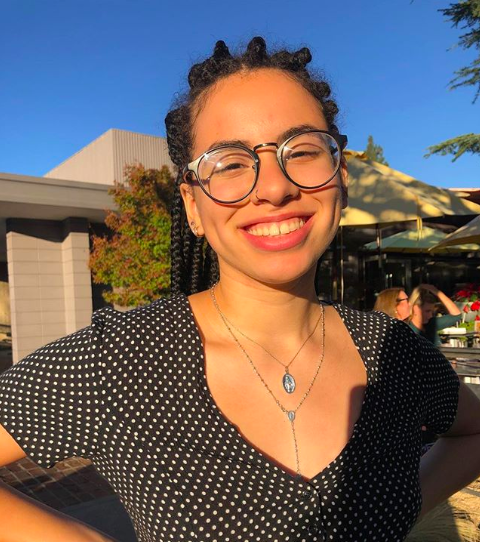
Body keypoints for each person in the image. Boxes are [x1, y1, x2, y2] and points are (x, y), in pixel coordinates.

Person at [1, 37, 480, 542]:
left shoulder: (394, 351)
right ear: (192, 206)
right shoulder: (120, 359)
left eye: (302, 151)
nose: (274, 187)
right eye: (229, 163)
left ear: (341, 178)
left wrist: (396, 512)